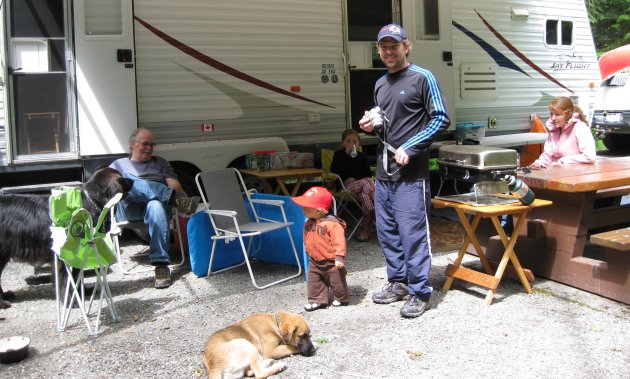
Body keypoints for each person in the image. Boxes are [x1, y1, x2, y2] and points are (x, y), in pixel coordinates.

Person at [359, 24, 450, 318]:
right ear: (378, 50)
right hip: (384, 174)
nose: (388, 51)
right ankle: (398, 282)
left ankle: (420, 291)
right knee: (387, 234)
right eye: (383, 47)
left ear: (406, 47)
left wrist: (410, 147)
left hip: (412, 176)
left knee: (413, 236)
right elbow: (386, 125)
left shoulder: (423, 78)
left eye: (393, 46)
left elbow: (440, 119)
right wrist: (372, 126)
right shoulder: (380, 83)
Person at [110, 128, 200, 289]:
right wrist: (172, 196)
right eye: (145, 144)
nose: (149, 148)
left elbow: (175, 185)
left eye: (152, 144)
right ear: (132, 144)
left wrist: (177, 192)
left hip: (155, 208)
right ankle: (175, 200)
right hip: (129, 207)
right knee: (128, 180)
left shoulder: (160, 162)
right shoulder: (118, 165)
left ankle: (161, 265)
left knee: (156, 204)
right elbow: (110, 191)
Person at [291, 187, 350, 311]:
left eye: (306, 206)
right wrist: (308, 251)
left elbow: (339, 241)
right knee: (314, 281)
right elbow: (306, 238)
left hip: (331, 261)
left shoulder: (332, 224)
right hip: (315, 260)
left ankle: (341, 297)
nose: (303, 209)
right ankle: (316, 300)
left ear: (319, 210)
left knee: (337, 281)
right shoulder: (308, 223)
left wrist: (339, 257)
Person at [330, 129, 375, 242]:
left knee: (365, 194)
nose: (351, 144)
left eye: (354, 142)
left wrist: (356, 179)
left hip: (363, 188)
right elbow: (334, 170)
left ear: (358, 143)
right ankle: (376, 200)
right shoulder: (338, 155)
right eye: (348, 141)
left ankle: (365, 230)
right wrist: (345, 155)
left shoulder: (361, 156)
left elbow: (368, 174)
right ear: (343, 143)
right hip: (345, 188)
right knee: (367, 183)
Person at [529, 96, 596, 168]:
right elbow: (548, 155)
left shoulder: (580, 127)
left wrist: (562, 161)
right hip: (557, 173)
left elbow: (589, 156)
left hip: (577, 175)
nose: (553, 118)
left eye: (557, 114)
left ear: (569, 115)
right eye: (551, 114)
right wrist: (540, 163)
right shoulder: (553, 130)